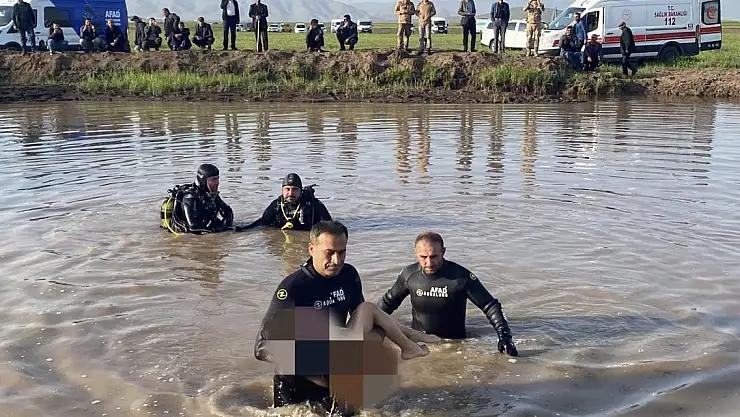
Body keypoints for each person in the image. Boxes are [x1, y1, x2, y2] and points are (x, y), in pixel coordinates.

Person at [254, 221, 439, 415]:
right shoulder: (293, 288)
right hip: (301, 371)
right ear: (311, 249)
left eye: (341, 252)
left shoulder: (348, 275)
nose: (336, 260)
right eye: (329, 253)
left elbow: (369, 318)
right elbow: (260, 347)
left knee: (374, 325)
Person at [377, 231, 519, 356]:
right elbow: (388, 303)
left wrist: (505, 337)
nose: (429, 263)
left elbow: (490, 305)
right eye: (423, 257)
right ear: (416, 253)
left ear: (443, 252)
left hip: (455, 346)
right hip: (420, 343)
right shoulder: (409, 275)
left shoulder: (460, 277)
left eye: (434, 256)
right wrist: (370, 329)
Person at [160, 164, 234, 235]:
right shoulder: (190, 197)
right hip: (187, 235)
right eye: (213, 180)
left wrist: (225, 225)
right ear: (203, 180)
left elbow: (228, 212)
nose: (217, 183)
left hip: (206, 228)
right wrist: (219, 230)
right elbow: (194, 227)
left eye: (217, 179)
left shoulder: (211, 195)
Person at [244, 173, 332, 231]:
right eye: (287, 189)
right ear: (282, 191)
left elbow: (330, 226)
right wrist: (242, 229)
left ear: (301, 191)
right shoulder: (276, 205)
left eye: (294, 189)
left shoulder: (314, 204)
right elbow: (262, 223)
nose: (290, 193)